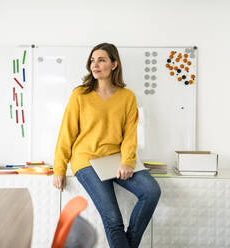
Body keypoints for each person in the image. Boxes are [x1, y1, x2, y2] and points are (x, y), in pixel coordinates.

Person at [53, 43, 161, 248]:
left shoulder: (127, 97)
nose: (95, 64)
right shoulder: (80, 95)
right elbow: (66, 133)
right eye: (92, 60)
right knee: (113, 218)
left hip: (115, 159)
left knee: (151, 191)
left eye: (101, 60)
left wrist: (128, 161)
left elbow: (130, 134)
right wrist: (59, 167)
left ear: (114, 64)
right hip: (87, 161)